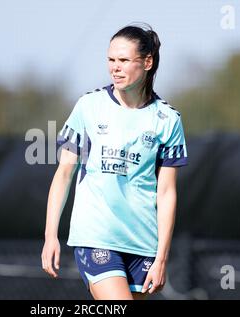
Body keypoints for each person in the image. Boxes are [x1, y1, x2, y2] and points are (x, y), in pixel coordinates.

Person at [41, 23, 188, 300]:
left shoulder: (168, 120)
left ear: (147, 62)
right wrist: (51, 235)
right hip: (96, 237)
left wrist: (162, 257)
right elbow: (63, 174)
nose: (115, 67)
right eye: (110, 60)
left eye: (123, 60)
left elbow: (167, 192)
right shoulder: (89, 106)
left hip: (143, 244)